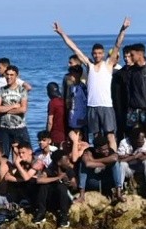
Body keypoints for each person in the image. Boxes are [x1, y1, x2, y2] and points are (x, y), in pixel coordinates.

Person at [53, 17, 130, 151]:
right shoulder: (89, 65)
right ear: (92, 54)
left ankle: (113, 160)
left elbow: (117, 45)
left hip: (106, 106)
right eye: (94, 53)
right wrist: (62, 33)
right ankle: (98, 160)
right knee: (96, 136)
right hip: (92, 106)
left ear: (103, 54)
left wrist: (123, 29)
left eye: (99, 53)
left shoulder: (108, 64)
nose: (97, 55)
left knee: (110, 135)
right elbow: (74, 49)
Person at [0, 64, 31, 158]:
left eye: (12, 75)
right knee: (4, 156)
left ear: (17, 76)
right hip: (4, 128)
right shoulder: (1, 90)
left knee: (23, 155)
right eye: (7, 74)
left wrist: (5, 110)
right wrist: (14, 106)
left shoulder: (22, 90)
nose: (9, 77)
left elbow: (23, 109)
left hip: (19, 127)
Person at [77, 135, 125, 202]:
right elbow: (88, 164)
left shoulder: (110, 151)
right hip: (94, 181)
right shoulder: (89, 151)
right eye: (104, 150)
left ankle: (118, 193)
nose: (107, 151)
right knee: (82, 165)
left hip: (107, 180)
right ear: (97, 150)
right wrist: (106, 163)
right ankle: (81, 195)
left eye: (107, 148)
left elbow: (115, 158)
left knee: (116, 164)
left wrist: (94, 161)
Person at [117, 128, 146, 201]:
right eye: (139, 141)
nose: (142, 142)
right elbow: (119, 160)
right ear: (134, 139)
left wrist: (128, 156)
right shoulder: (123, 143)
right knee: (122, 164)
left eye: (143, 140)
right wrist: (136, 156)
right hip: (128, 169)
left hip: (139, 167)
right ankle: (120, 188)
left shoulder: (144, 141)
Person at [65, 65, 89, 138]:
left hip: (80, 118)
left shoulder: (83, 87)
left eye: (71, 74)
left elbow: (86, 103)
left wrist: (84, 118)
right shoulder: (71, 87)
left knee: (81, 136)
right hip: (72, 117)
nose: (70, 76)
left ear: (78, 74)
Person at [46, 82, 67, 147]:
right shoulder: (64, 100)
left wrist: (47, 134)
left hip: (56, 134)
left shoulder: (52, 103)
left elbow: (50, 121)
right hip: (66, 133)